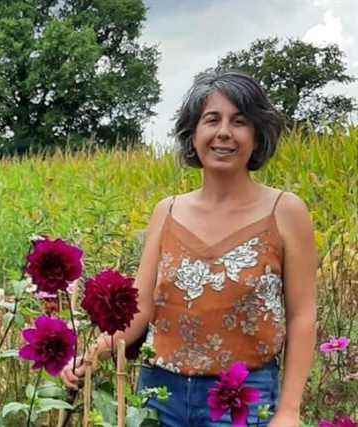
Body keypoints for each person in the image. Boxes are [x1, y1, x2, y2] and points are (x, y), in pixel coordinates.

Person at [62, 70, 317, 426]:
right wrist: (93, 353)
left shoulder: (285, 212)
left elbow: (302, 317)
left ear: (257, 137)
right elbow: (141, 308)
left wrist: (289, 411)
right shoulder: (167, 211)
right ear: (193, 135)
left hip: (243, 400)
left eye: (239, 121)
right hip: (159, 396)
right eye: (212, 120)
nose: (224, 132)